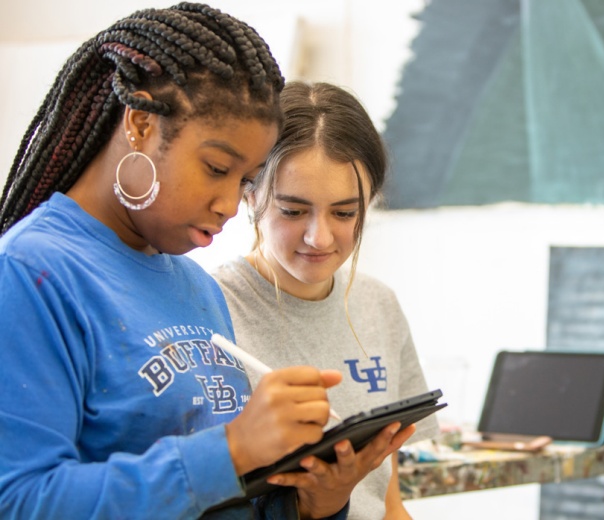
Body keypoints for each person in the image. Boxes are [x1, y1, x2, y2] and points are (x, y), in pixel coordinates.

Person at [0, 4, 409, 518]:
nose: (229, 203)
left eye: (244, 181)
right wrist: (233, 447)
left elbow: (222, 498)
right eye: (215, 167)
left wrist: (320, 500)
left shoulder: (195, 286)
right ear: (141, 123)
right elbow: (19, 502)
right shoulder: (31, 274)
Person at [213, 81, 440, 520]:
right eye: (293, 211)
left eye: (344, 213)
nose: (319, 237)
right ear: (250, 195)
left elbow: (387, 502)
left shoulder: (378, 305)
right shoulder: (209, 310)